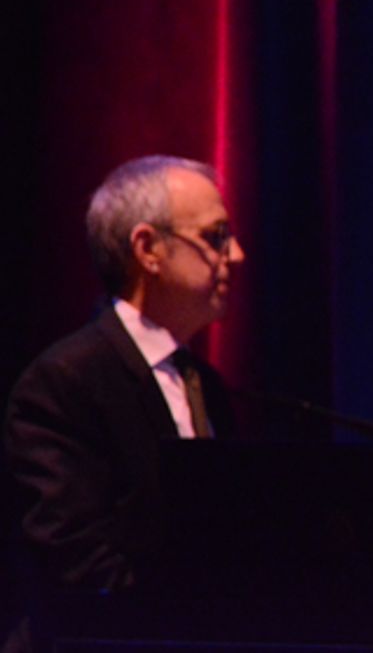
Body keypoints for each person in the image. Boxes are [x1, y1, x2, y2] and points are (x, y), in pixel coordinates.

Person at [4, 155, 244, 601]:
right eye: (216, 237)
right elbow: (73, 561)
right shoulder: (64, 383)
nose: (236, 254)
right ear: (148, 249)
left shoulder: (204, 384)